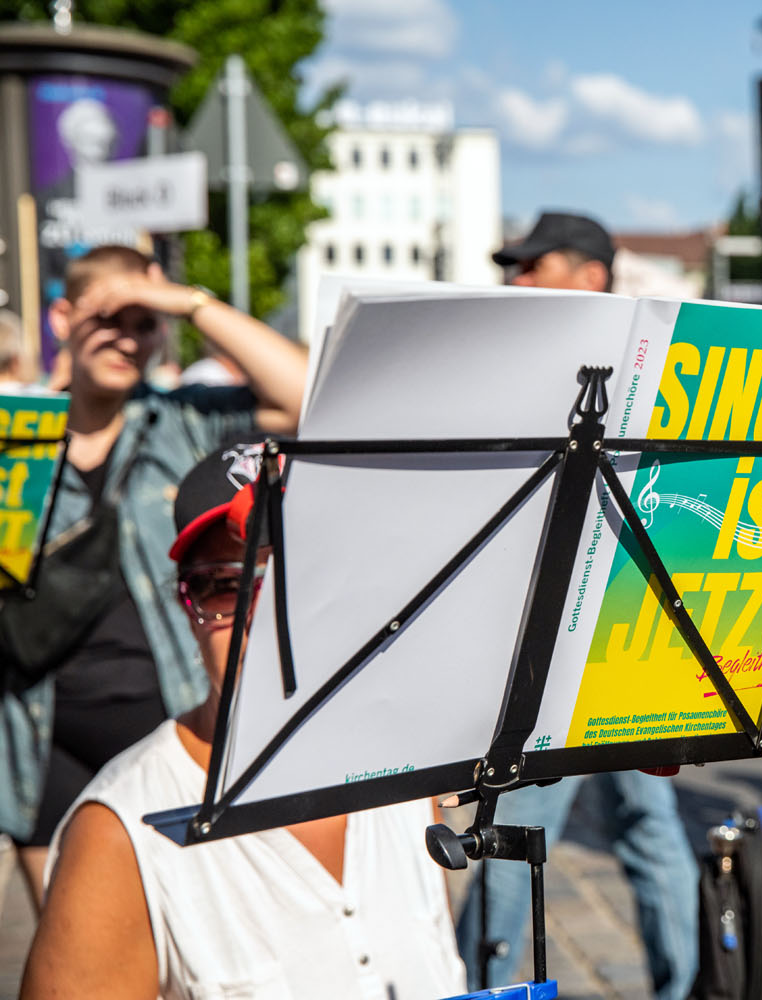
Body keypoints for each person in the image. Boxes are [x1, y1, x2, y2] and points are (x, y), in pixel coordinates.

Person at [21, 448, 466, 999]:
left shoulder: (404, 772)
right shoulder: (120, 834)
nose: (266, 616)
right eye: (225, 587)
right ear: (186, 607)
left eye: (297, 577)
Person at [0, 245, 307, 908]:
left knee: (184, 929)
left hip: (169, 723)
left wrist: (189, 304)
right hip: (42, 739)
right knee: (76, 939)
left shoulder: (181, 420)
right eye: (110, 317)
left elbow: (306, 397)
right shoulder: (13, 437)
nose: (128, 339)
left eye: (145, 323)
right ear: (61, 318)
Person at [457, 211, 699, 998]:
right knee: (645, 823)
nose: (519, 278)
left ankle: (478, 983)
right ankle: (682, 981)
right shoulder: (652, 365)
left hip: (575, 638)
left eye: (537, 264)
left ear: (593, 275)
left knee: (517, 831)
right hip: (624, 628)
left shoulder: (570, 370)